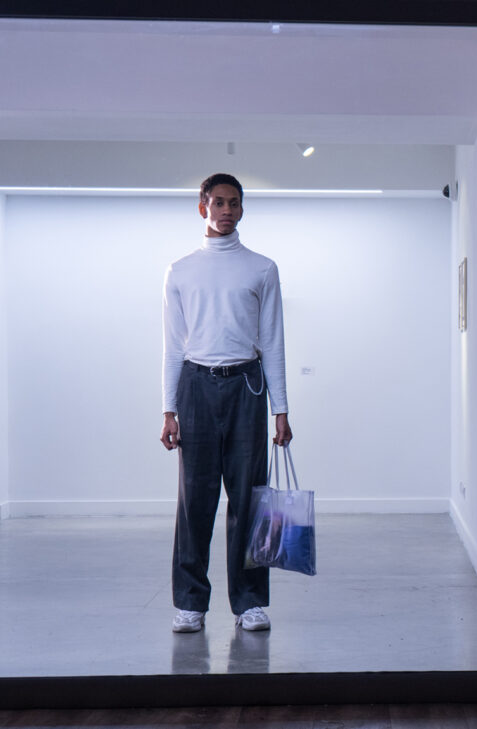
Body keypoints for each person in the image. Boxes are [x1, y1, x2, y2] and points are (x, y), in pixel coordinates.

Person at [160, 173, 292, 633]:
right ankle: (190, 603)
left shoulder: (262, 268)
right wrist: (168, 410)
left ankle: (250, 602)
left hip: (247, 387)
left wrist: (280, 409)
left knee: (249, 500)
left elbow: (272, 341)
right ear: (203, 207)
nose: (227, 210)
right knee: (194, 502)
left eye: (234, 203)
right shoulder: (180, 270)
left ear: (242, 209)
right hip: (196, 386)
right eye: (218, 202)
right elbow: (172, 346)